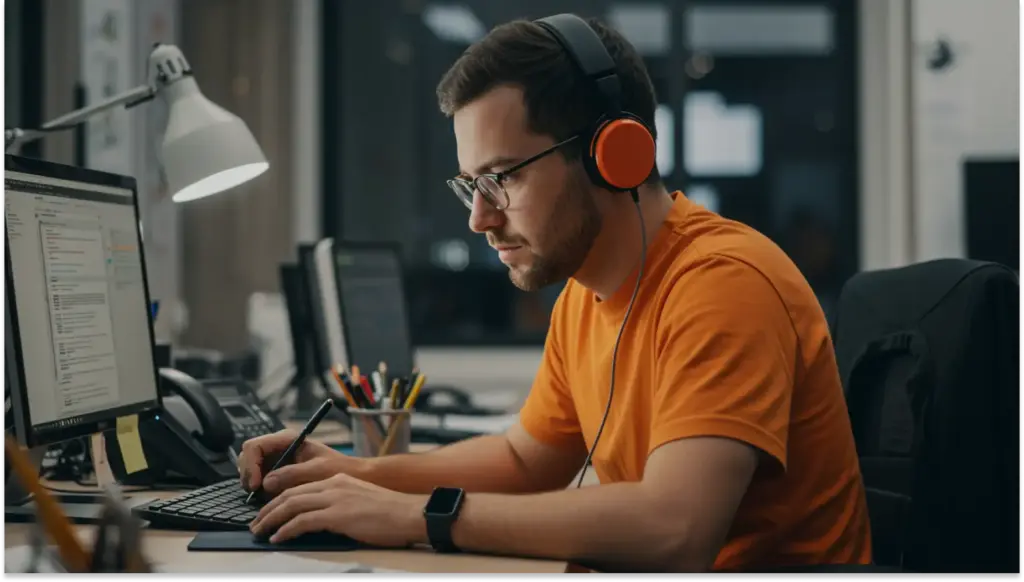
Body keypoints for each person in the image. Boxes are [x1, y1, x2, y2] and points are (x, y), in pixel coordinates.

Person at [242, 15, 871, 573]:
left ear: (612, 154)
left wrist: (416, 516)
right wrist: (354, 473)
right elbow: (526, 461)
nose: (479, 219)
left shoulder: (723, 284)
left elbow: (675, 531)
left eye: (501, 178)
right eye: (470, 186)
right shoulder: (584, 293)